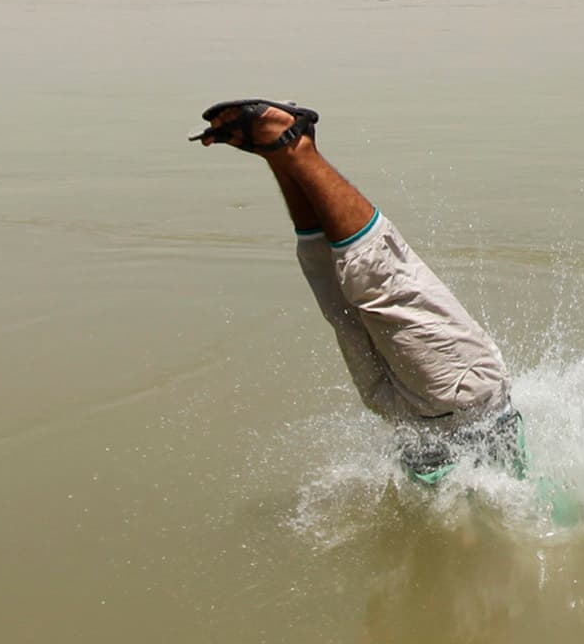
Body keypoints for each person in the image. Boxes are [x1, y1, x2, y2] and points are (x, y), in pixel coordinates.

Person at [192, 98, 523, 483]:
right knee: (380, 281)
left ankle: (280, 154)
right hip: (466, 399)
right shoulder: (546, 517)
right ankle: (294, 138)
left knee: (331, 283)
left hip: (400, 416)